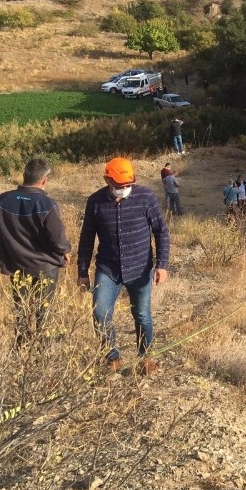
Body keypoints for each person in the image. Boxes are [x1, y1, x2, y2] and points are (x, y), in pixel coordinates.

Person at [77, 157, 169, 375]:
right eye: (120, 186)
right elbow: (87, 237)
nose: (125, 189)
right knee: (100, 313)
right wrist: (82, 272)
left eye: (128, 185)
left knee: (142, 315)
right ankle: (112, 359)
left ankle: (145, 357)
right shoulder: (95, 202)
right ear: (107, 180)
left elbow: (161, 231)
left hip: (140, 268)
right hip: (108, 269)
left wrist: (162, 264)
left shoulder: (146, 197)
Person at [0, 158, 72, 348]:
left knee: (20, 309)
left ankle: (21, 347)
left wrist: (7, 245)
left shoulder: (2, 200)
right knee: (43, 311)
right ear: (45, 180)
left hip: (15, 265)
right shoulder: (46, 204)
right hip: (45, 267)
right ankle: (42, 351)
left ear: (24, 176)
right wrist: (66, 251)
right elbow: (57, 240)